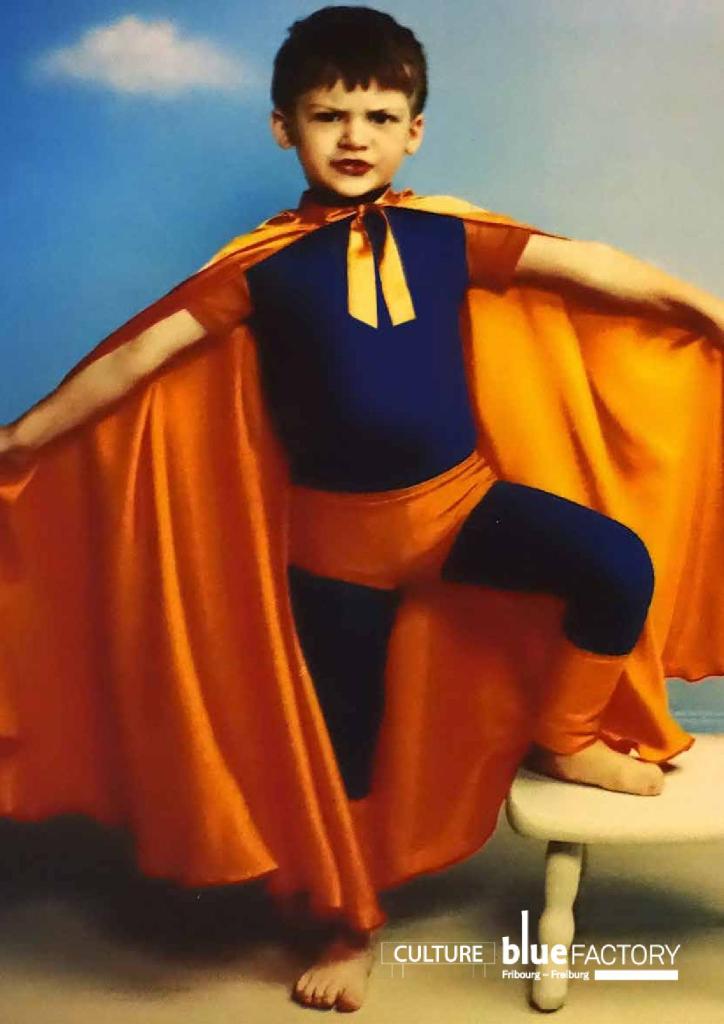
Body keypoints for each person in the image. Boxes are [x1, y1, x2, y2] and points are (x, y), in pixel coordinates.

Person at [1, 5, 724, 1014]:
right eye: (328, 114)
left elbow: (594, 266)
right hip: (335, 555)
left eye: (380, 116)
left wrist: (708, 310)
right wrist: (20, 440)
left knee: (612, 563)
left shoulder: (446, 233)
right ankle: (348, 924)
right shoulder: (260, 266)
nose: (354, 136)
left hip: (461, 509)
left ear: (413, 131)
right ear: (283, 128)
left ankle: (565, 733)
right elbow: (134, 360)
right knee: (342, 749)